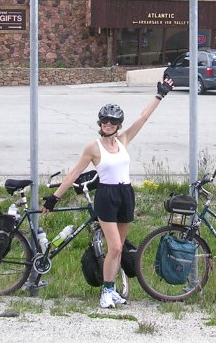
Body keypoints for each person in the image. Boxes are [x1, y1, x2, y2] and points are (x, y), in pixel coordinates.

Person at [41, 78, 174, 308]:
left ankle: (111, 290)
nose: (108, 124)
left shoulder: (123, 140)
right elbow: (74, 173)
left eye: (113, 121)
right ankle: (106, 293)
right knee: (113, 247)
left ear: (119, 124)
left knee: (119, 249)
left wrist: (160, 95)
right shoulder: (93, 147)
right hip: (107, 196)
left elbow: (143, 118)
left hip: (126, 194)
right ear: (100, 123)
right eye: (105, 121)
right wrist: (55, 198)